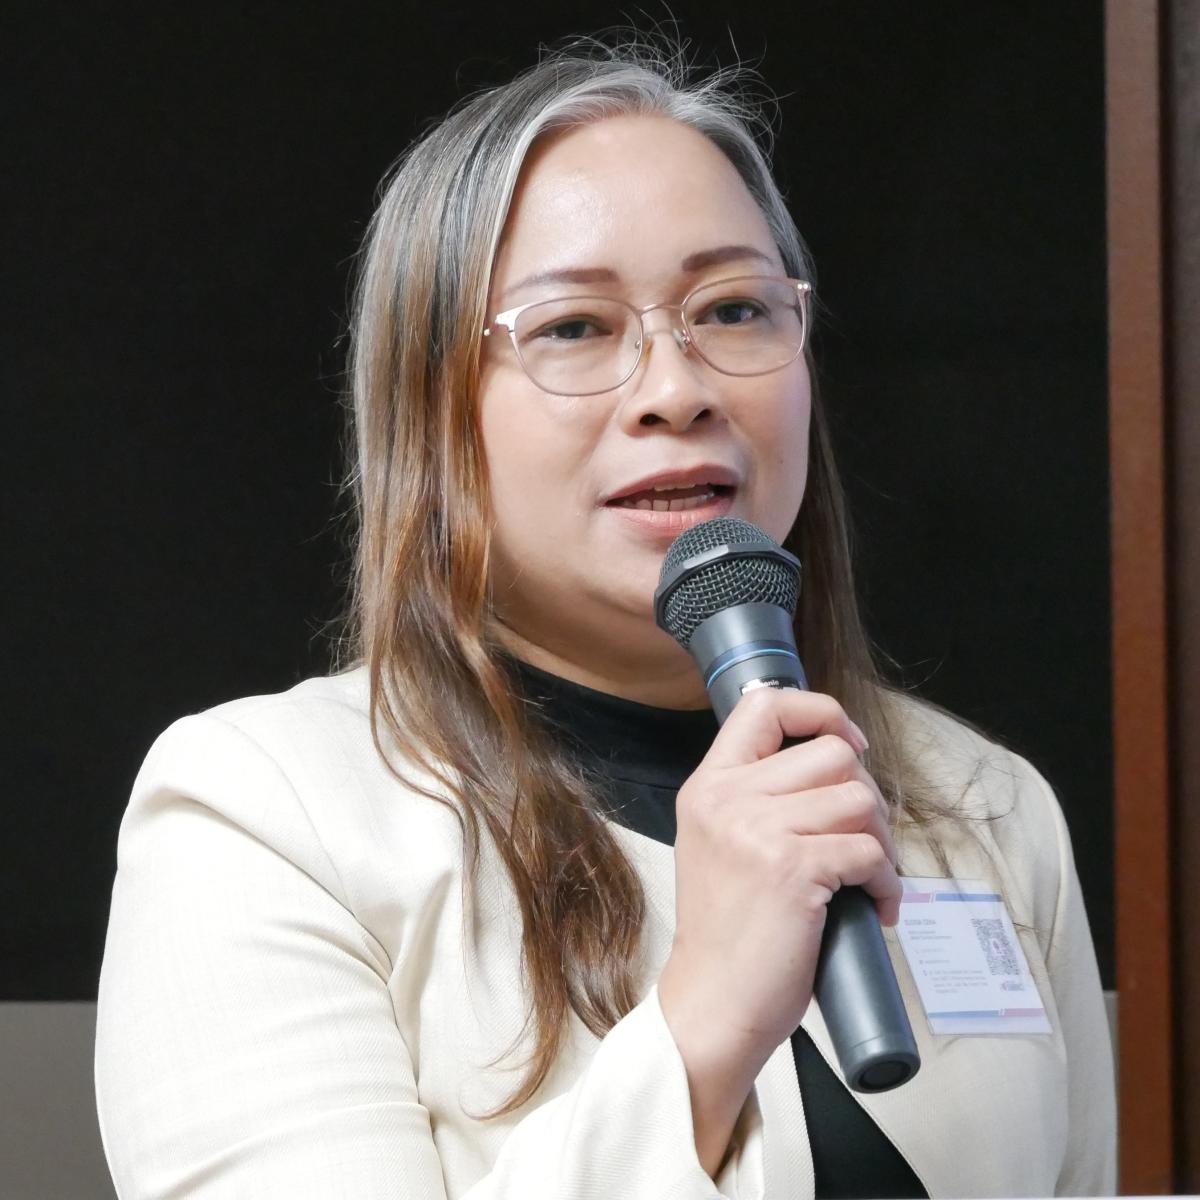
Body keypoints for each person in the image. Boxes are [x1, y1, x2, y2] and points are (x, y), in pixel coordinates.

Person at [94, 37, 1116, 1199]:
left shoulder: (984, 806)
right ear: (432, 409)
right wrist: (704, 1015)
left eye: (733, 308)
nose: (678, 390)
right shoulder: (261, 814)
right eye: (574, 327)